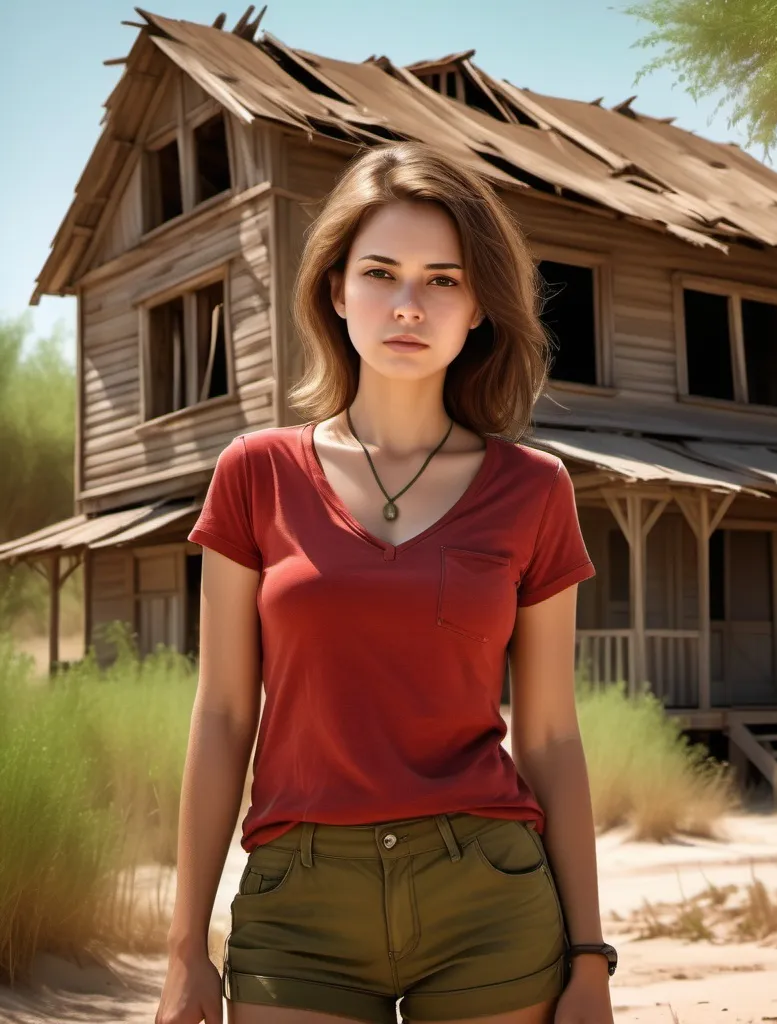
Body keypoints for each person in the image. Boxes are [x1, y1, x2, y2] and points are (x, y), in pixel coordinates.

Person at [155, 140, 616, 1024]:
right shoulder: (254, 474)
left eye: (443, 279)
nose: (409, 305)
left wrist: (589, 959)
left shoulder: (535, 489)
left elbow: (552, 736)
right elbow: (220, 715)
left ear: (479, 304)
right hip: (299, 902)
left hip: (488, 893)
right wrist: (185, 951)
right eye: (381, 273)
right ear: (336, 290)